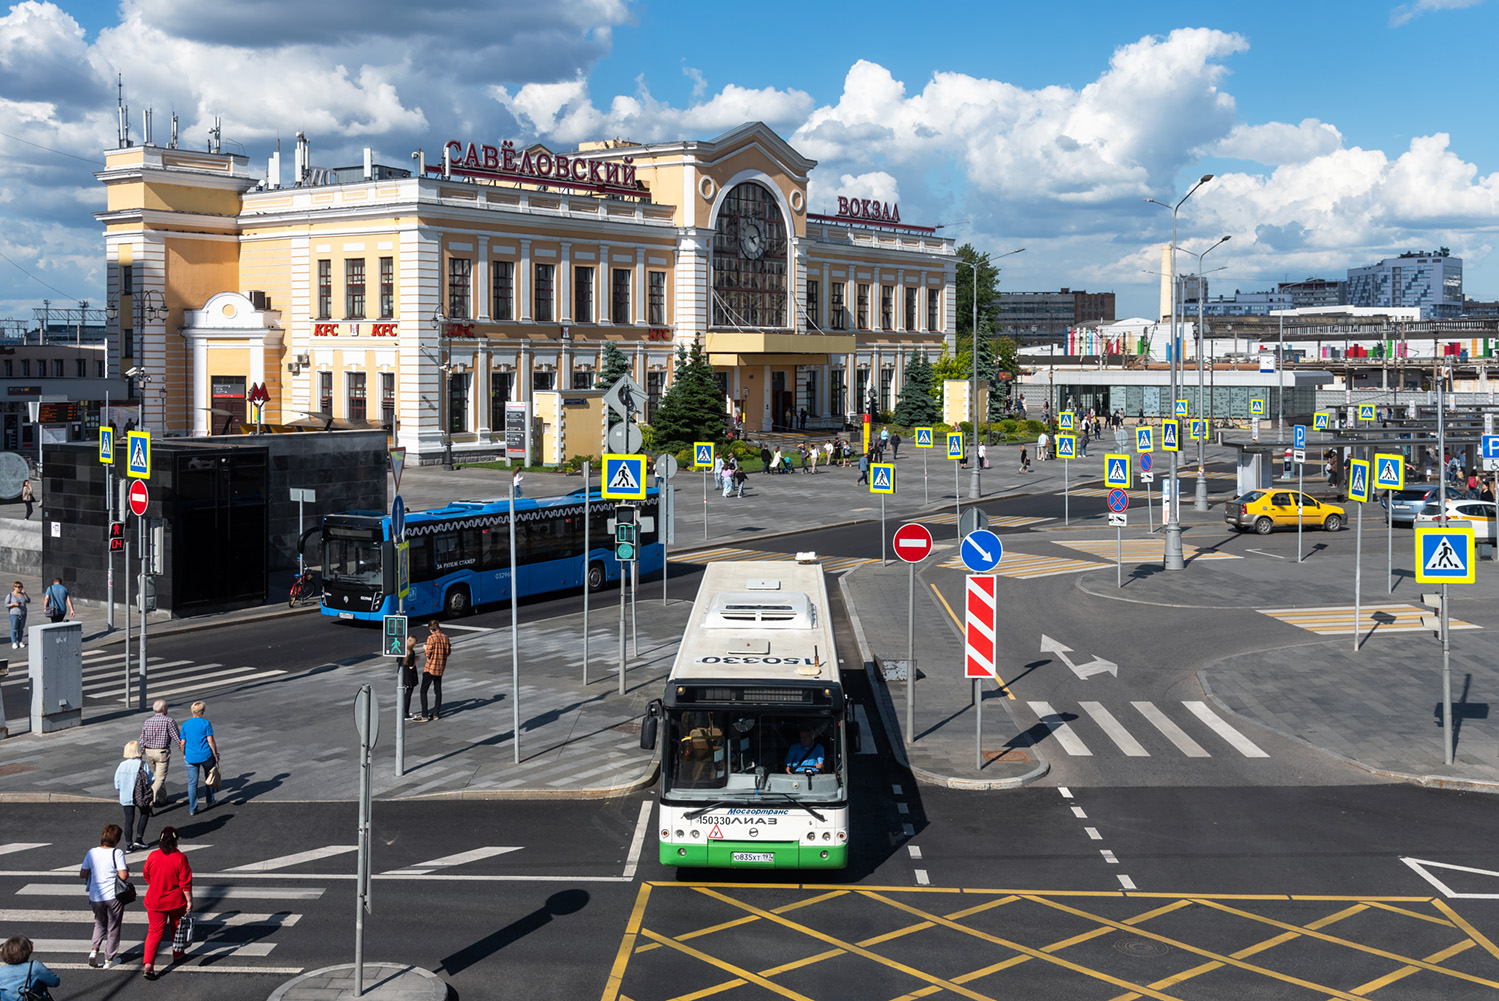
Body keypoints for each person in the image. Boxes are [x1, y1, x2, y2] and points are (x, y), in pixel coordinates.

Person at [141, 827, 193, 979]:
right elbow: (185, 883)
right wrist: (189, 900)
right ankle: (178, 954)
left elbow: (146, 874)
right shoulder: (180, 858)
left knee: (154, 932)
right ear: (176, 841)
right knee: (177, 929)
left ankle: (149, 965)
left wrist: (156, 883)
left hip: (155, 900)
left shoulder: (153, 855)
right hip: (176, 901)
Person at [80, 823, 130, 969]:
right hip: (113, 896)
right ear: (117, 839)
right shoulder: (117, 853)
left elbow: (83, 874)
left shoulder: (91, 852)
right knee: (113, 927)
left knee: (99, 923)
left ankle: (94, 951)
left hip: (96, 896)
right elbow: (123, 875)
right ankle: (109, 960)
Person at [179, 701, 219, 816]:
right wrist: (215, 754)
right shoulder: (206, 723)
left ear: (192, 711)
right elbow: (210, 741)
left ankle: (193, 808)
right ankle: (210, 801)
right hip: (206, 755)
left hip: (191, 756)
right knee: (209, 778)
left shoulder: (186, 724)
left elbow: (183, 743)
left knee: (192, 783)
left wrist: (184, 754)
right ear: (203, 711)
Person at [138, 701, 181, 808]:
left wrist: (141, 752)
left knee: (157, 775)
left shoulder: (147, 722)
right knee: (160, 778)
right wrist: (184, 751)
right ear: (163, 709)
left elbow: (142, 738)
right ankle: (149, 798)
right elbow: (177, 738)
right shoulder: (169, 721)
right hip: (162, 753)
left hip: (149, 752)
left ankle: (163, 799)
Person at [116, 741, 152, 850]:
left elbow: (117, 783)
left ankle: (128, 845)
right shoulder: (142, 764)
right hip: (140, 795)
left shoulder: (122, 765)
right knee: (145, 813)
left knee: (129, 819)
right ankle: (139, 839)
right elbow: (151, 779)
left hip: (126, 796)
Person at [420, 619, 450, 721]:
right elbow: (448, 652)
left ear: (431, 629)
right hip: (440, 667)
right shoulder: (445, 638)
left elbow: (428, 654)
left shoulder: (431, 638)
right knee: (438, 691)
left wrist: (425, 648)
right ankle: (436, 713)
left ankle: (424, 714)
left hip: (430, 667)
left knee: (423, 691)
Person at [401, 632, 419, 721]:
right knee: (408, 694)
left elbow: (398, 660)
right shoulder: (411, 652)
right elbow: (411, 666)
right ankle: (405, 713)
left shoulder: (403, 650)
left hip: (403, 674)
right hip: (410, 676)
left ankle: (404, 711)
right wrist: (415, 660)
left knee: (405, 694)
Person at [6, 581, 28, 650]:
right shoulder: (10, 595)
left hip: (23, 614)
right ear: (14, 587)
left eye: (21, 587)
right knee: (14, 628)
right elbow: (6, 605)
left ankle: (20, 641)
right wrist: (13, 604)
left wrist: (25, 594)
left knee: (21, 629)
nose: (19, 588)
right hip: (14, 614)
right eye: (18, 587)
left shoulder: (22, 595)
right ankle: (14, 642)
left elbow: (28, 600)